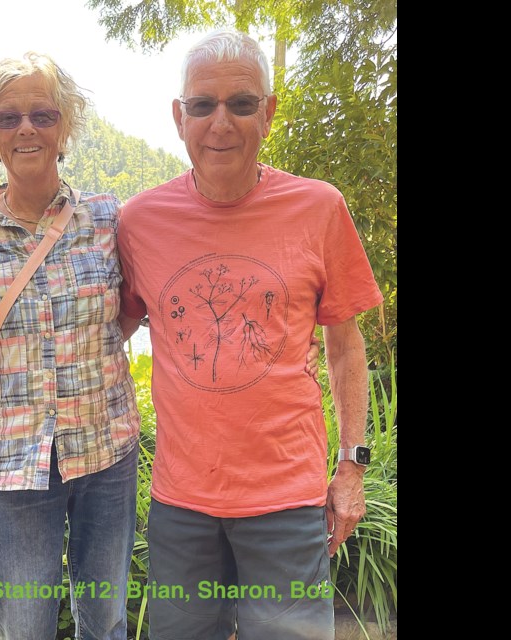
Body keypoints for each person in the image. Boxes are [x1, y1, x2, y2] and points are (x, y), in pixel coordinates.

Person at [116, 30, 384, 640]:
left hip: (286, 502)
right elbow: (113, 328)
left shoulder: (318, 209)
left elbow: (346, 346)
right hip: (181, 503)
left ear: (268, 111)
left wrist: (351, 467)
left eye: (241, 103)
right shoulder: (139, 221)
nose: (221, 123)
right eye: (203, 105)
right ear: (178, 116)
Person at [0, 52, 141, 640]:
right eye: (8, 118)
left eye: (43, 115)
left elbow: (136, 310)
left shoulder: (107, 220)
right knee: (23, 625)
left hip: (107, 451)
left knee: (107, 618)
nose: (26, 129)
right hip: (12, 466)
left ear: (64, 127)